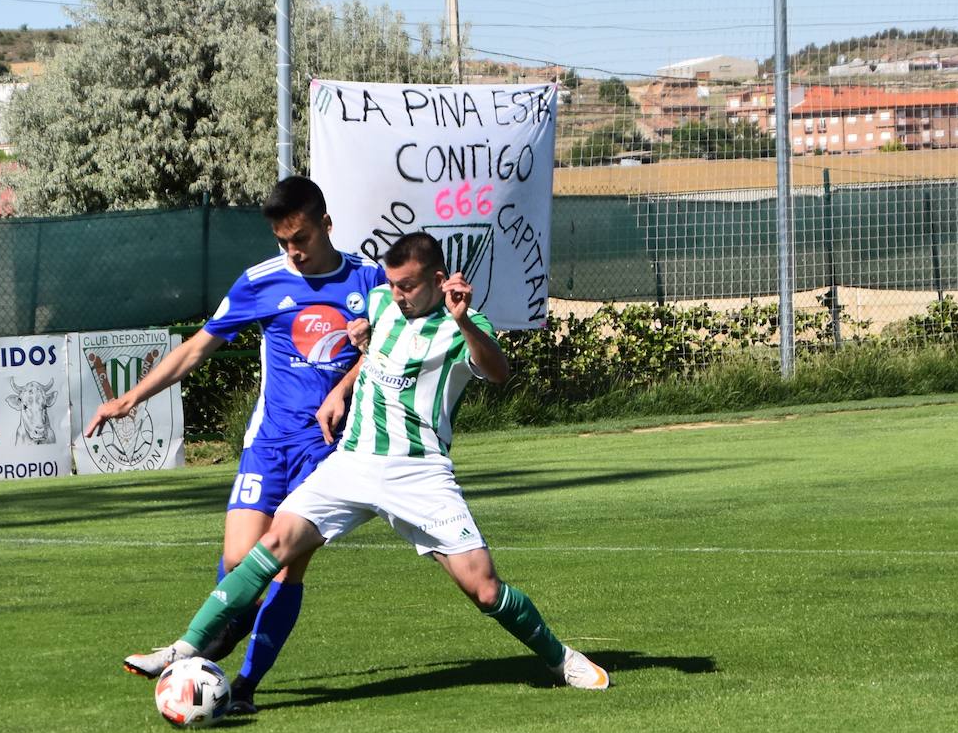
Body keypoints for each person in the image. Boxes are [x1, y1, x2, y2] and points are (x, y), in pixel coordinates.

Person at [124, 231, 611, 693]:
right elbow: (374, 343)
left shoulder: (464, 326)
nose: (397, 294)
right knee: (271, 545)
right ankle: (183, 648)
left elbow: (498, 372)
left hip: (419, 472)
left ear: (440, 281)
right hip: (352, 463)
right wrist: (348, 374)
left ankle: (560, 657)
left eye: (408, 285)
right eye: (392, 284)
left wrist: (463, 320)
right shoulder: (380, 303)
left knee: (484, 590)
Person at [86, 176, 386, 713]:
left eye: (301, 238)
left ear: (326, 224)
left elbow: (392, 348)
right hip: (267, 444)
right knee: (237, 558)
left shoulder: (370, 280)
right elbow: (198, 348)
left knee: (286, 566)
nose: (292, 251)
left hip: (327, 453)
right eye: (283, 241)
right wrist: (130, 400)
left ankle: (241, 685)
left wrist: (347, 383)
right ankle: (207, 651)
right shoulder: (261, 282)